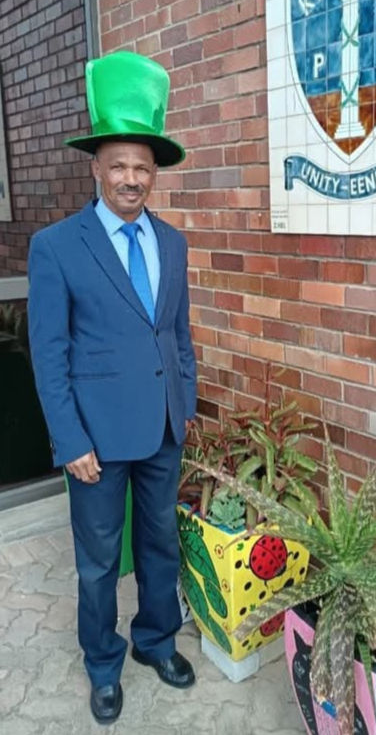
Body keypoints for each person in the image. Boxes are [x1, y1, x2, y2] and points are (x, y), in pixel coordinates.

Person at [27, 51, 197, 725]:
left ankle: (156, 640)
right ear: (95, 168)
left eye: (142, 167)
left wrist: (181, 403)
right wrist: (68, 438)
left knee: (161, 545)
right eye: (118, 165)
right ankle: (103, 661)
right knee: (98, 563)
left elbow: (177, 335)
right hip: (94, 440)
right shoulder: (57, 246)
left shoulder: (174, 242)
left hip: (160, 428)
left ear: (155, 173)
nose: (131, 178)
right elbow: (50, 352)